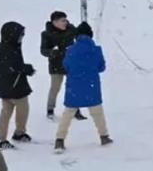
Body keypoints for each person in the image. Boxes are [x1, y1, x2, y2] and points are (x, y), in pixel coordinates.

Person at [54, 22, 112, 153]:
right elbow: (101, 67)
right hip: (91, 87)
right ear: (90, 35)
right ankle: (104, 136)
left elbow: (66, 66)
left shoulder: (70, 50)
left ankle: (59, 140)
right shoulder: (96, 50)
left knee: (68, 114)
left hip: (74, 86)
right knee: (97, 113)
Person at [0, 21, 35, 149]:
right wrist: (25, 68)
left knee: (7, 112)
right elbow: (11, 66)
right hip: (14, 87)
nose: (22, 38)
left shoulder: (11, 46)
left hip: (9, 86)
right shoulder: (7, 49)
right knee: (21, 110)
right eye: (20, 35)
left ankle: (3, 137)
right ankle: (16, 133)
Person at [40, 11, 85, 121]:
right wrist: (54, 52)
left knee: (73, 87)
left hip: (71, 64)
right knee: (55, 88)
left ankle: (76, 110)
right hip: (56, 65)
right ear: (55, 22)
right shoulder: (46, 34)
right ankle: (50, 110)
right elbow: (43, 50)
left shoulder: (71, 30)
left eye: (65, 20)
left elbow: (81, 35)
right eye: (62, 20)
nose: (65, 22)